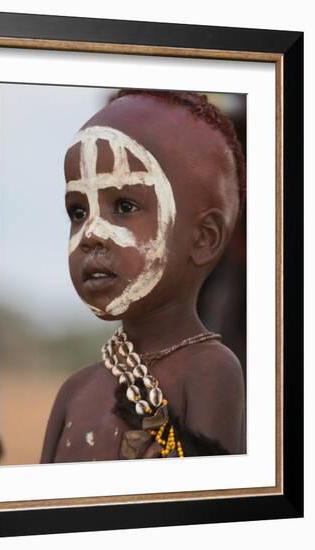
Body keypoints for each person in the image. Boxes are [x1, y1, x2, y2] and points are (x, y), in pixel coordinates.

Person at [40, 89, 246, 463]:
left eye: (124, 206)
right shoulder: (74, 392)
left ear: (203, 238)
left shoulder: (211, 370)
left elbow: (209, 513)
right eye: (77, 212)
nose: (91, 234)